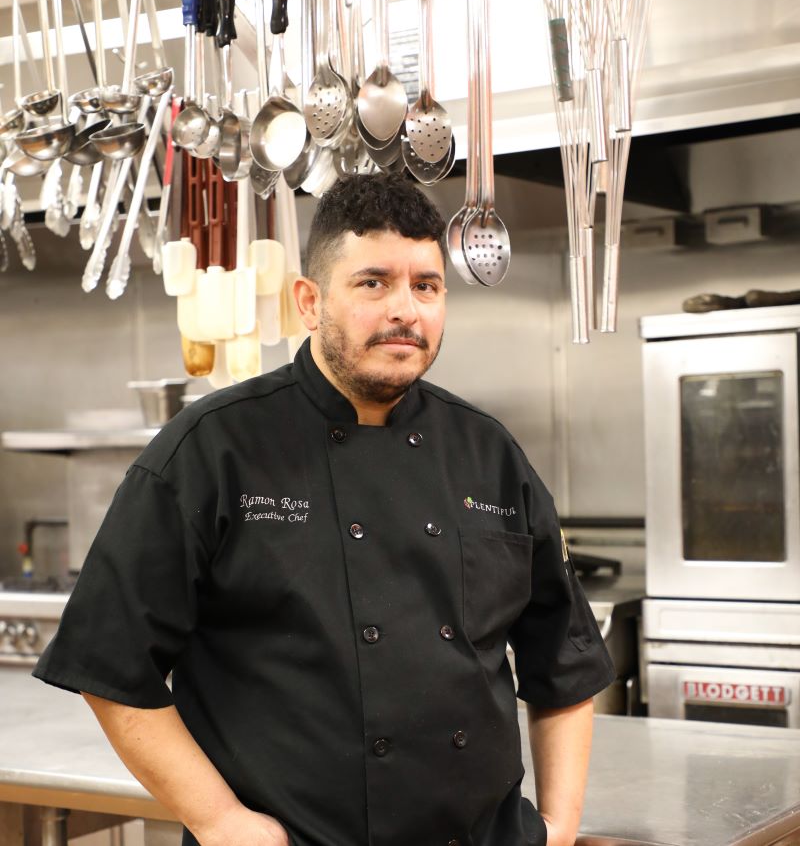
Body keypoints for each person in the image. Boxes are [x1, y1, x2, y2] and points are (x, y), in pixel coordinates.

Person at [34, 173, 615, 846]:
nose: (406, 309)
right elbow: (111, 663)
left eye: (426, 285)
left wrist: (560, 827)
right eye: (373, 282)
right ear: (309, 302)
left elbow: (564, 662)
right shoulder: (213, 449)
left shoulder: (489, 452)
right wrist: (219, 820)